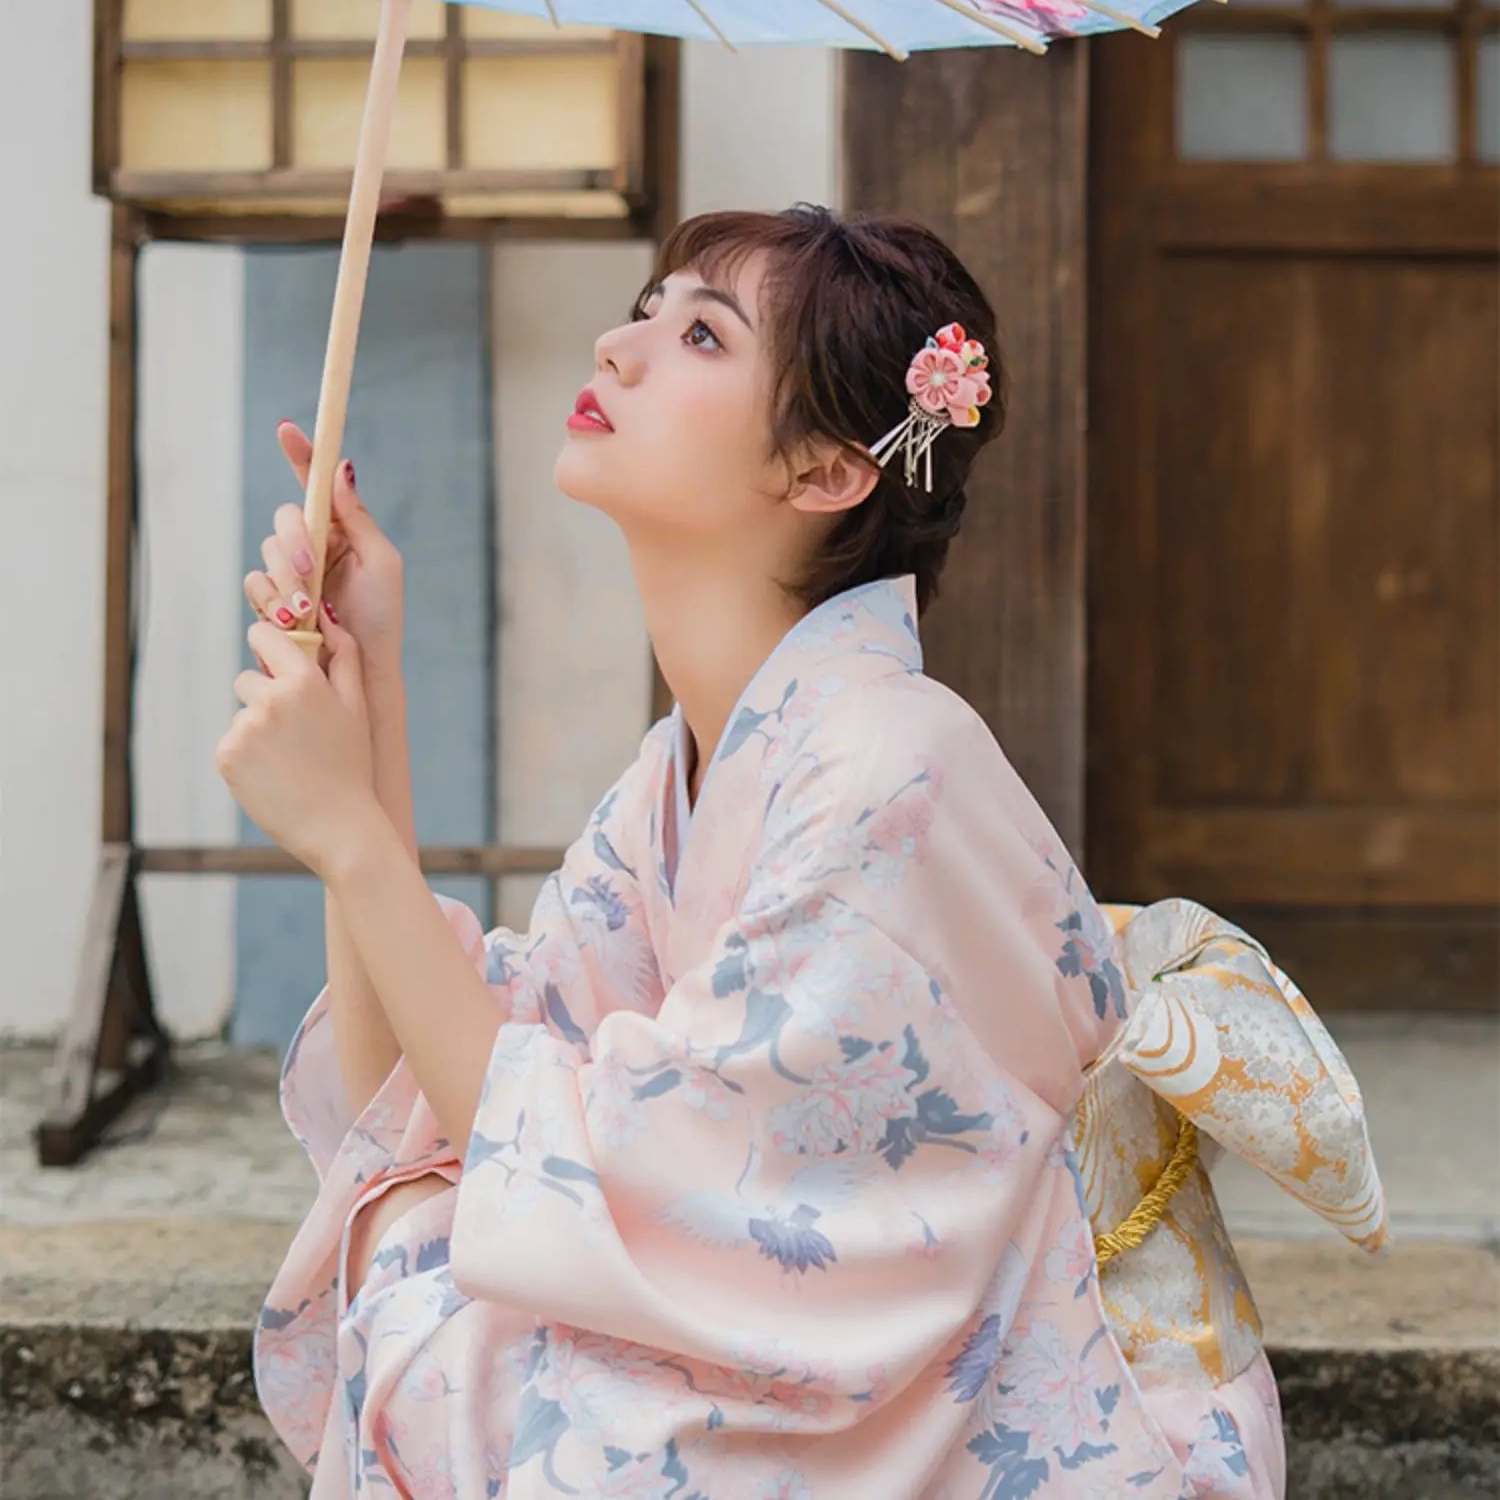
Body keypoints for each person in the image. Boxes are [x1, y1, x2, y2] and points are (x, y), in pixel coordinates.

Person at [233, 203, 1345, 1498]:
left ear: (826, 470)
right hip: (813, 1366)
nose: (618, 346)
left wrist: (353, 839)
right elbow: (435, 1104)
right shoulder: (689, 769)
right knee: (419, 1257)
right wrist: (370, 694)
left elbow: (611, 1179)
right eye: (647, 309)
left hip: (956, 1394)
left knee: (472, 1357)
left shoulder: (886, 767)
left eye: (700, 333)